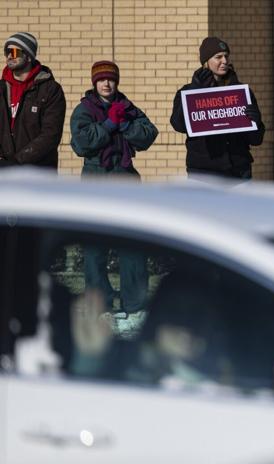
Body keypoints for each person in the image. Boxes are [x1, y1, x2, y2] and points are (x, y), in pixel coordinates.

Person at [70, 60, 158, 324]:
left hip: (125, 180)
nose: (106, 83)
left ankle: (135, 303)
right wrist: (108, 125)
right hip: (95, 180)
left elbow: (148, 134)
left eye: (111, 79)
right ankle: (101, 304)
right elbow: (81, 144)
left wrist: (125, 125)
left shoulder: (128, 107)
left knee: (131, 245)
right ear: (94, 82)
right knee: (95, 248)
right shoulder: (84, 110)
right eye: (101, 79)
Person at [170, 37, 265, 181]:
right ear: (206, 61)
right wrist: (195, 94)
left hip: (238, 171)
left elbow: (256, 139)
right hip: (204, 173)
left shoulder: (241, 93)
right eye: (218, 57)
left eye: (226, 56)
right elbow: (179, 124)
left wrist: (256, 122)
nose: (225, 61)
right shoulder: (187, 91)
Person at [0, 32, 65, 168]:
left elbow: (50, 135)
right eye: (7, 51)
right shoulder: (1, 89)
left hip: (38, 171)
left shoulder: (50, 89)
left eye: (15, 51)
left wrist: (17, 161)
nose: (10, 56)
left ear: (29, 56)